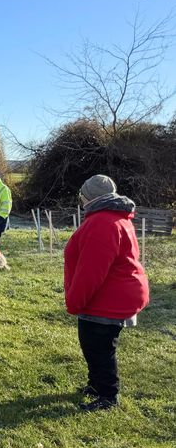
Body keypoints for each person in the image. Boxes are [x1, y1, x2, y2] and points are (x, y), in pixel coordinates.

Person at [63, 175, 149, 411]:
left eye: (82, 195)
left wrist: (74, 301)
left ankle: (109, 395)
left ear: (88, 197)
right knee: (93, 344)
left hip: (107, 298)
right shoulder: (115, 218)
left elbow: (92, 271)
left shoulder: (102, 222)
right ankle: (96, 385)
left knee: (98, 346)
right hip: (115, 293)